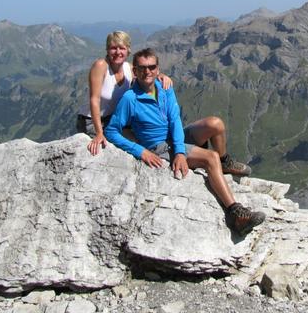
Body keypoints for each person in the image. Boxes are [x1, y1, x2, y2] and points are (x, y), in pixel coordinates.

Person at [104, 48, 265, 236]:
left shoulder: (165, 87)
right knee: (209, 157)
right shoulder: (130, 99)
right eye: (142, 68)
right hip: (159, 146)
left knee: (216, 124)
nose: (147, 72)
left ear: (157, 69)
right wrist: (141, 151)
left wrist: (180, 150)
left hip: (176, 138)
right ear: (135, 70)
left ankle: (224, 164)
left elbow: (175, 120)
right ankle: (235, 214)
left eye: (151, 67)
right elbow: (111, 131)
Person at [77, 31, 171, 155]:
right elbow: (94, 100)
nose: (118, 52)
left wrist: (162, 76)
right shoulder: (100, 66)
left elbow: (146, 75)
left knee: (141, 139)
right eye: (113, 48)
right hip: (91, 121)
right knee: (131, 145)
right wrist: (99, 133)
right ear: (107, 49)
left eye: (122, 48)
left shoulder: (129, 68)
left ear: (128, 50)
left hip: (114, 119)